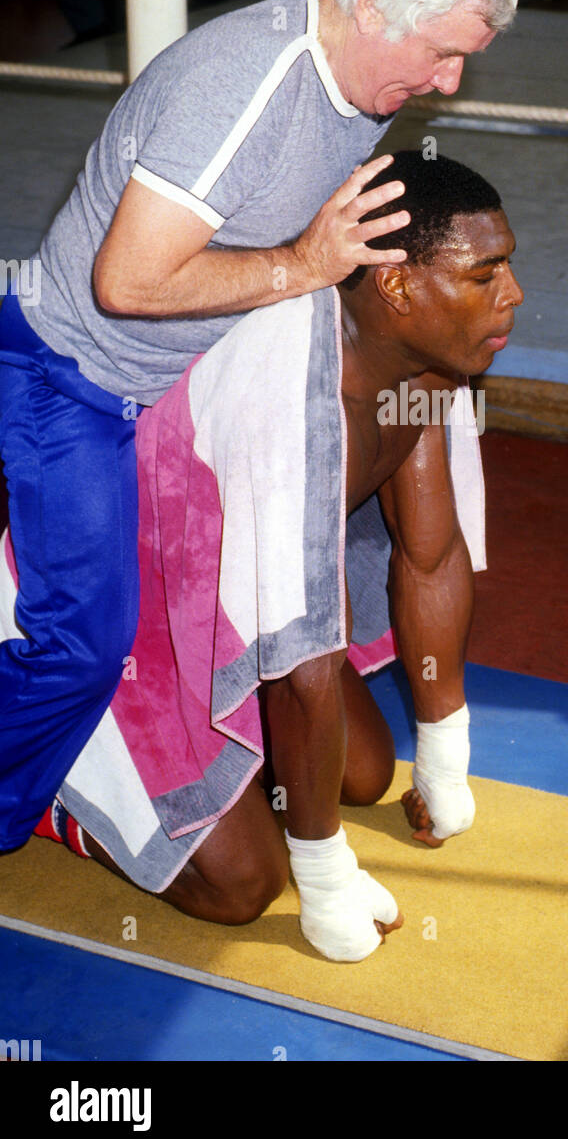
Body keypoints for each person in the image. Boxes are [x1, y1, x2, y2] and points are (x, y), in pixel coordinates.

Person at [0, 0, 518, 857]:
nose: (449, 83)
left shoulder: (364, 75)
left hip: (191, 382)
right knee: (82, 647)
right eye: (442, 53)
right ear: (372, 6)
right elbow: (125, 282)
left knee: (356, 751)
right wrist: (298, 265)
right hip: (75, 379)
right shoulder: (245, 87)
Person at [13, 153, 523, 963]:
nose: (513, 296)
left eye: (509, 267)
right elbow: (298, 664)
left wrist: (445, 757)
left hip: (212, 618)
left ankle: (227, 769)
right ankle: (53, 786)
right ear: (395, 287)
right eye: (484, 274)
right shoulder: (286, 393)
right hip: (127, 632)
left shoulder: (424, 368)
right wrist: (322, 875)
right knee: (244, 888)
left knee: (364, 774)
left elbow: (431, 556)